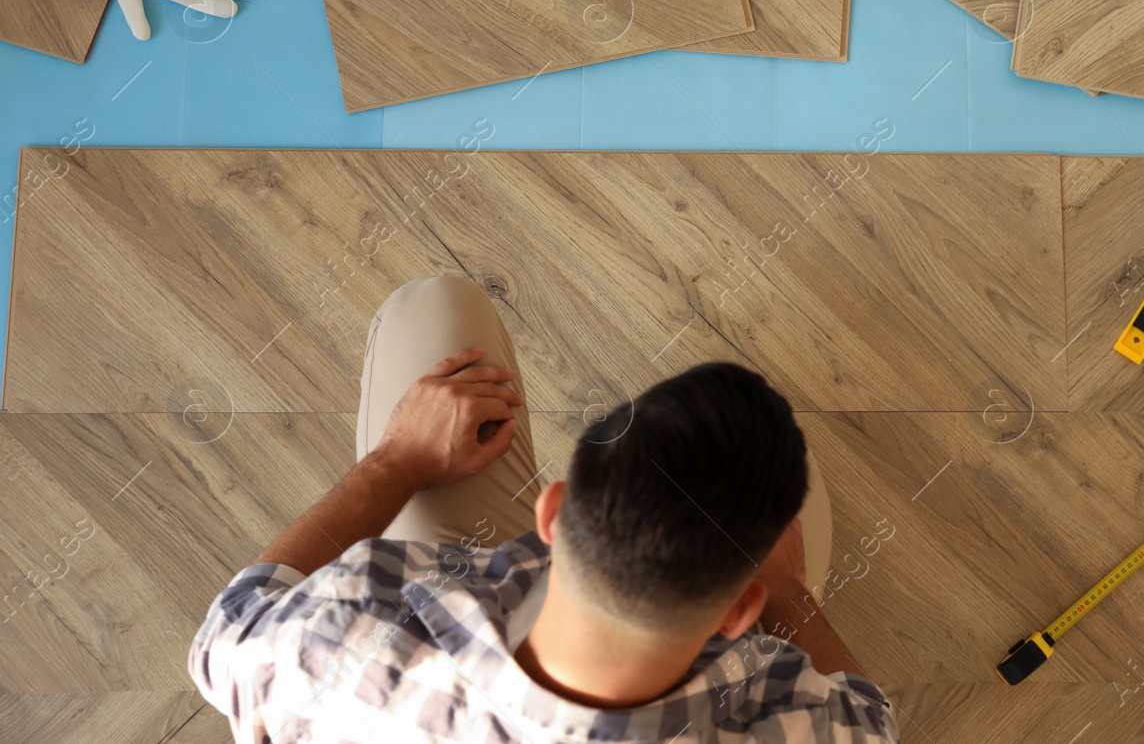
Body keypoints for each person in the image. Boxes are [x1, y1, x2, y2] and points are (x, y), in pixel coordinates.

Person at [189, 275, 899, 742]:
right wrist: (790, 592)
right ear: (741, 610)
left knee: (435, 304)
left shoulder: (332, 651)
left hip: (448, 597)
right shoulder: (795, 716)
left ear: (553, 509)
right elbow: (868, 718)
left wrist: (397, 459)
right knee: (794, 478)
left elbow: (227, 629)